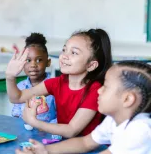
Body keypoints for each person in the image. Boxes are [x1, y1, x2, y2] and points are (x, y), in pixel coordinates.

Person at [15, 60, 151, 154]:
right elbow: (86, 143)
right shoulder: (113, 120)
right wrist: (46, 150)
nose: (99, 90)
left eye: (106, 87)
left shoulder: (140, 130)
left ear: (127, 99)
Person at [6, 29, 112, 138]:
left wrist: (34, 122)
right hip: (64, 144)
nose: (64, 56)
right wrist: (10, 77)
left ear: (91, 65)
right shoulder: (57, 83)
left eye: (74, 52)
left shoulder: (95, 90)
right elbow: (17, 98)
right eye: (64, 50)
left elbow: (71, 130)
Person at [11, 33, 56, 129]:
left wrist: (47, 127)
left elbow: (60, 117)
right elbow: (15, 113)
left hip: (48, 134)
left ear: (48, 62)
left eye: (39, 60)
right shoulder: (20, 87)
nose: (33, 65)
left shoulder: (55, 87)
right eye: (28, 60)